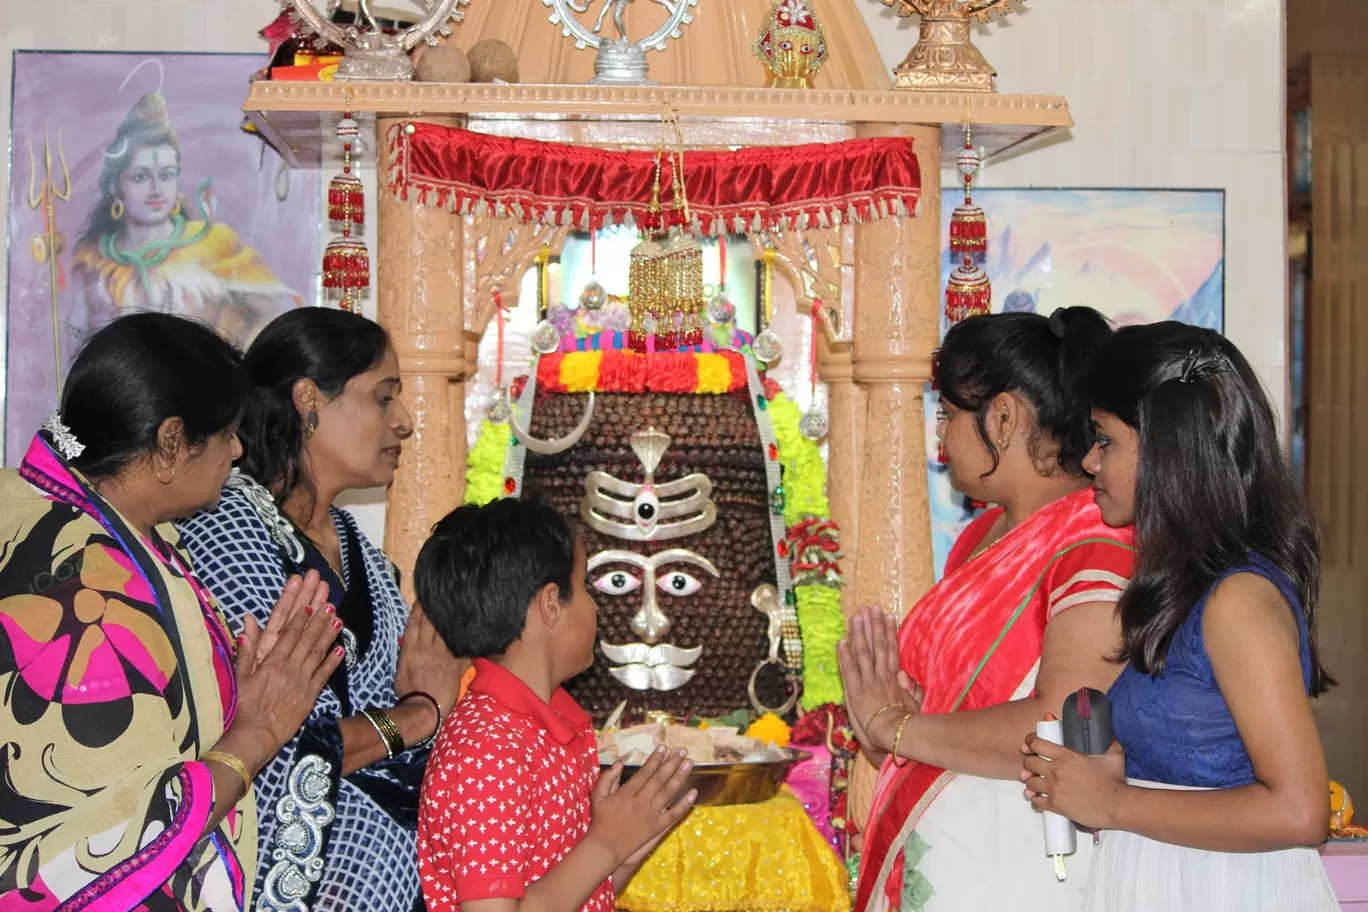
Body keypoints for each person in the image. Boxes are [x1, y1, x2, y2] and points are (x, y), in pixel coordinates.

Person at [0, 313, 342, 910]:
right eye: (228, 433)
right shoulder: (87, 593)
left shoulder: (68, 518)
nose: (237, 451)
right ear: (170, 442)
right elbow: (105, 842)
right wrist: (258, 729)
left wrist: (222, 689)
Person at [1020, 323, 1339, 911]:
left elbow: (1299, 812)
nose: (1090, 461)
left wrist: (1112, 802)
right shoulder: (1187, 588)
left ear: (1170, 449)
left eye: (1106, 440)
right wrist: (1115, 769)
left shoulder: (1238, 599)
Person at [841, 307, 1137, 912]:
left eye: (949, 415)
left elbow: (1063, 727)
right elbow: (929, 715)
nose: (941, 437)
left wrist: (896, 728)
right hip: (945, 836)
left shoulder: (1096, 539)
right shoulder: (983, 538)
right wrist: (890, 725)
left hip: (1026, 853)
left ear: (1002, 418)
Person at [177, 307, 468, 912]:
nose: (405, 422)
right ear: (309, 398)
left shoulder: (355, 545)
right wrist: (416, 716)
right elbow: (269, 739)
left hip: (383, 879)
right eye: (384, 397)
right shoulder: (229, 526)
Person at [413, 498, 698, 912]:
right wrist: (604, 845)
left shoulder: (544, 727)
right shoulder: (485, 750)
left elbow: (565, 895)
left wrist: (620, 855)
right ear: (551, 604)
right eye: (583, 587)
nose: (595, 606)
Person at [70, 91, 301, 345]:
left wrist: (242, 363)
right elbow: (77, 339)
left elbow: (284, 315)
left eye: (167, 175)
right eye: (141, 177)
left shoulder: (212, 244)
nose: (156, 189)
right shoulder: (93, 259)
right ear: (115, 188)